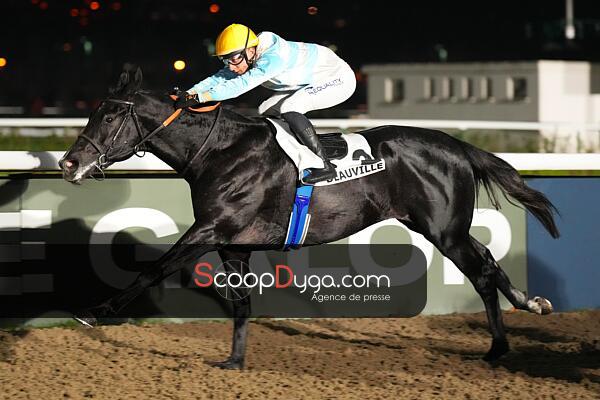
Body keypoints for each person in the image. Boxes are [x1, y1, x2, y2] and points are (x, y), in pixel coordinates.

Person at [176, 23, 356, 185]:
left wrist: (200, 98)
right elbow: (219, 78)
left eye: (233, 59)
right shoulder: (248, 55)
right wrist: (189, 93)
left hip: (339, 79)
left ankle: (324, 164)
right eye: (226, 60)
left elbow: (240, 86)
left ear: (250, 51)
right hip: (312, 80)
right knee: (266, 109)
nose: (231, 66)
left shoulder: (273, 58)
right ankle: (290, 155)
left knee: (290, 107)